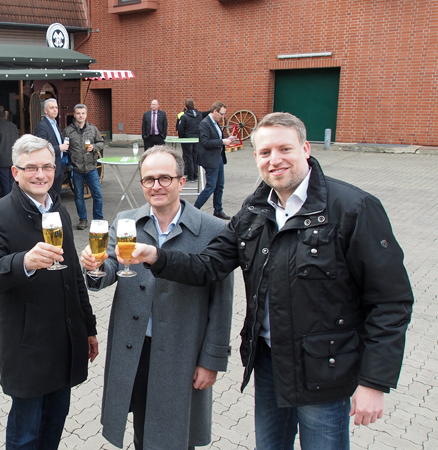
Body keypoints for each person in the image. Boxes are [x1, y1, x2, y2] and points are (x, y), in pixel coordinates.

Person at [122, 112, 414, 450]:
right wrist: (156, 256)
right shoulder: (255, 211)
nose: (274, 160)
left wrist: (374, 382)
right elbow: (209, 265)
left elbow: (391, 301)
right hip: (270, 363)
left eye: (284, 149)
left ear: (305, 149)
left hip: (325, 371)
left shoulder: (352, 208)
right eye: (264, 153)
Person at [80, 145, 233, 450]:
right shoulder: (126, 221)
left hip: (184, 352)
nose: (156, 186)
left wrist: (212, 360)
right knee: (142, 431)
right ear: (141, 184)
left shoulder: (214, 230)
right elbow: (111, 266)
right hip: (135, 349)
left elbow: (222, 303)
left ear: (182, 180)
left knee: (179, 434)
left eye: (165, 178)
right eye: (149, 179)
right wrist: (95, 268)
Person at [0, 134, 99, 450]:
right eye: (31, 168)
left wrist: (89, 328)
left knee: (55, 423)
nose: (40, 175)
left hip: (65, 339)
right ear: (16, 172)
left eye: (46, 167)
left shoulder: (59, 211)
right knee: (26, 433)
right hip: (28, 345)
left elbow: (73, 275)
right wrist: (24, 262)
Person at [63, 104, 105, 230]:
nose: (80, 115)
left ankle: (98, 220)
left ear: (86, 115)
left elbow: (101, 142)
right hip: (77, 169)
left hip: (91, 168)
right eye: (78, 113)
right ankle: (83, 220)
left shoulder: (92, 129)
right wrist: (68, 164)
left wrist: (95, 147)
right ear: (74, 115)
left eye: (83, 113)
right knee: (79, 196)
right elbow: (65, 148)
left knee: (97, 195)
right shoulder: (68, 130)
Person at [194, 102, 236, 220]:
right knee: (210, 186)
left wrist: (227, 139)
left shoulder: (216, 123)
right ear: (215, 111)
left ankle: (218, 210)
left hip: (219, 158)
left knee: (219, 186)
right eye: (222, 114)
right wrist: (222, 142)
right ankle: (194, 210)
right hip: (210, 159)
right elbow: (205, 142)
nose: (223, 117)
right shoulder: (205, 124)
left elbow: (217, 138)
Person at [34, 98, 69, 195]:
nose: (55, 110)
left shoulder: (55, 124)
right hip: (49, 168)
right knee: (49, 197)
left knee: (56, 197)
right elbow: (40, 148)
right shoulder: (42, 126)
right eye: (52, 108)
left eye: (56, 107)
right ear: (45, 110)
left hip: (59, 167)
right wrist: (59, 148)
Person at [0, 105, 19, 196]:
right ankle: (14, 203)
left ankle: (7, 205)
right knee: (12, 183)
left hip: (1, 160)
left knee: (5, 184)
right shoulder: (13, 126)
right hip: (13, 158)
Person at [176, 99, 204, 181]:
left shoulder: (184, 116)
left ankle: (190, 176)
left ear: (186, 107)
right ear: (194, 105)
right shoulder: (199, 115)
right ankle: (196, 175)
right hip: (197, 139)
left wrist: (181, 138)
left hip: (187, 139)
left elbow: (180, 128)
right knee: (195, 156)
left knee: (188, 157)